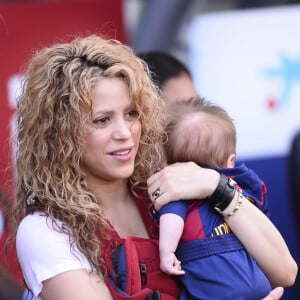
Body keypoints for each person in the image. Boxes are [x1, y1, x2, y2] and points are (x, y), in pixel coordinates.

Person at [11, 34, 297, 300]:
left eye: (131, 113)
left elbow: (284, 271)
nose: (125, 132)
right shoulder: (46, 230)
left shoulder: (168, 183)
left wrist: (216, 186)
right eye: (102, 120)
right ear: (61, 132)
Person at [158, 97, 275, 299]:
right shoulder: (243, 188)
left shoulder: (178, 192)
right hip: (259, 283)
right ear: (231, 160)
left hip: (213, 286)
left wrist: (167, 252)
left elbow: (172, 219)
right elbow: (263, 224)